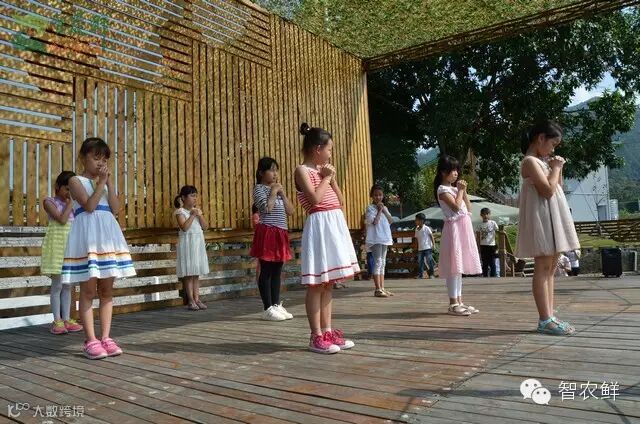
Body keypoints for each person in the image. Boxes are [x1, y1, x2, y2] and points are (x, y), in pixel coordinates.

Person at [61, 137, 136, 359]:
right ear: (82, 158)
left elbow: (115, 208)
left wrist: (109, 183)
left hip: (107, 237)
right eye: (96, 158)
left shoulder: (104, 183)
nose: (100, 163)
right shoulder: (75, 180)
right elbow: (90, 206)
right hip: (88, 237)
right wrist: (102, 183)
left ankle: (106, 337)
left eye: (104, 159)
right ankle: (91, 340)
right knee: (87, 291)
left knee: (106, 291)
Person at [295, 122, 359, 354]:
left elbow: (340, 200)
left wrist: (332, 179)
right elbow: (314, 200)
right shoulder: (302, 170)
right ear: (317, 149)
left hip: (333, 225)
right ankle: (316, 336)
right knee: (316, 285)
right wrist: (325, 178)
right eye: (329, 149)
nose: (330, 154)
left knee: (328, 283)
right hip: (319, 226)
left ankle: (328, 331)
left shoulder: (323, 172)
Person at [516, 120, 580, 335]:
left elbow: (557, 186)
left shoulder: (542, 162)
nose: (553, 150)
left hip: (552, 217)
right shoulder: (530, 161)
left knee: (551, 267)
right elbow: (547, 190)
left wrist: (556, 169)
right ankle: (544, 319)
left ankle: (550, 315)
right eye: (553, 144)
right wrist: (557, 167)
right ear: (541, 138)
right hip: (542, 218)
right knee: (543, 267)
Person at [433, 155, 482, 316]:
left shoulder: (454, 189)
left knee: (459, 267)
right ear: (443, 172)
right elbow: (455, 207)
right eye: (452, 170)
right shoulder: (442, 189)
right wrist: (460, 190)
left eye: (456, 170)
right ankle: (453, 303)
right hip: (453, 228)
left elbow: (468, 208)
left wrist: (463, 191)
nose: (456, 173)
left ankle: (459, 301)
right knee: (454, 267)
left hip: (462, 228)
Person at [250, 157, 295, 321]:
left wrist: (282, 194)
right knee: (267, 269)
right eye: (271, 170)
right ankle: (267, 308)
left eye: (276, 170)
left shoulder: (277, 190)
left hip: (280, 231)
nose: (275, 174)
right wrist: (274, 192)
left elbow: (290, 211)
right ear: (261, 172)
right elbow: (266, 209)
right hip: (268, 231)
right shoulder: (259, 189)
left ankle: (276, 305)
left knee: (277, 270)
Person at [41, 171, 83, 335]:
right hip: (57, 248)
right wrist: (71, 203)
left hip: (70, 247)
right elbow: (62, 219)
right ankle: (57, 320)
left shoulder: (74, 205)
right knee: (57, 285)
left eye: (71, 190)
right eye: (67, 189)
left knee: (68, 285)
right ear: (57, 186)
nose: (69, 193)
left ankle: (66, 319)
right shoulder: (49, 201)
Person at [174, 185, 210, 311]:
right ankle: (190, 300)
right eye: (192, 195)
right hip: (187, 244)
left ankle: (197, 299)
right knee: (189, 273)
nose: (195, 198)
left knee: (196, 273)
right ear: (183, 198)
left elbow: (205, 227)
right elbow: (184, 227)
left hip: (197, 243)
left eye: (196, 196)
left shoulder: (197, 211)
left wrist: (199, 215)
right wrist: (193, 215)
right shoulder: (180, 212)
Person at [365, 185, 394, 297]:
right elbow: (374, 222)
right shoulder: (370, 208)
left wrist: (384, 210)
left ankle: (382, 288)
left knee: (383, 262)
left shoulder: (385, 208)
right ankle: (377, 289)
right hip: (375, 238)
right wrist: (379, 210)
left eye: (380, 195)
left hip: (384, 237)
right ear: (372, 196)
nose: (378, 197)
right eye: (376, 195)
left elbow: (391, 221)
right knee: (378, 262)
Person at [476, 208, 500, 277]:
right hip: (483, 245)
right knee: (484, 263)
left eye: (487, 214)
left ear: (489, 214)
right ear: (481, 215)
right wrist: (478, 246)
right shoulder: (479, 225)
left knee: (492, 262)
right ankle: (485, 276)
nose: (485, 215)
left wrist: (497, 244)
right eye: (483, 214)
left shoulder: (493, 223)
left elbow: (498, 233)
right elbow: (478, 236)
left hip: (491, 245)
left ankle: (493, 276)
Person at [414, 213, 435, 279]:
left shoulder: (426, 228)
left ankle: (431, 274)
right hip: (420, 248)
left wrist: (433, 245)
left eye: (416, 220)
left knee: (429, 260)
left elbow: (431, 236)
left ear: (421, 221)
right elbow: (416, 239)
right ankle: (421, 275)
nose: (415, 221)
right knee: (420, 262)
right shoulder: (416, 229)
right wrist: (416, 247)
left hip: (427, 247)